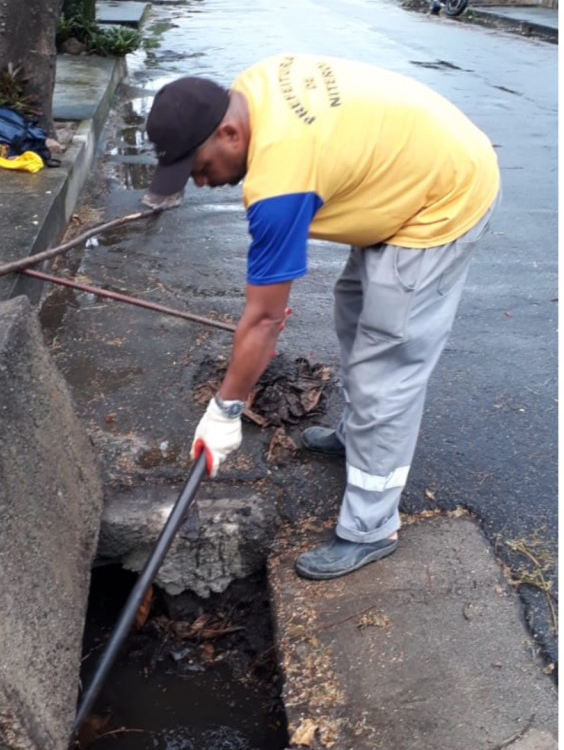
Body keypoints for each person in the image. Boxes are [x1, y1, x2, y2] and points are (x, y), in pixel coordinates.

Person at [143, 54, 500, 581]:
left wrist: (225, 410)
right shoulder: (246, 91)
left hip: (442, 195)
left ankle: (371, 527)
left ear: (229, 133)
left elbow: (264, 320)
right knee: (355, 309)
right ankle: (359, 437)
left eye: (200, 167)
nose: (201, 182)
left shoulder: (279, 184)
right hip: (405, 170)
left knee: (388, 367)